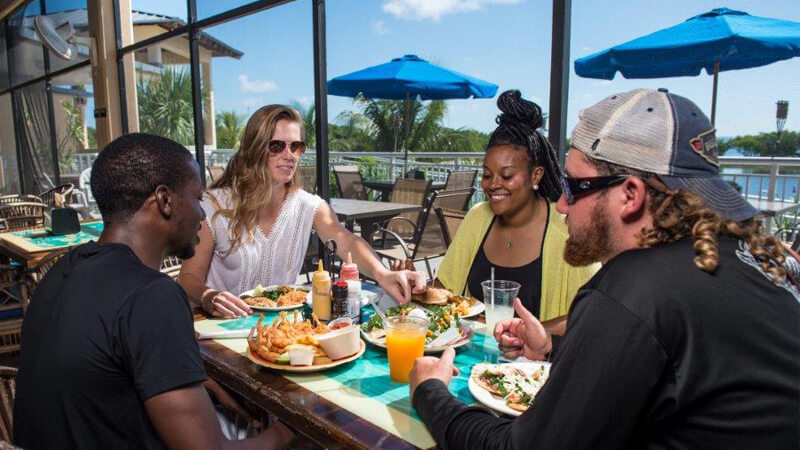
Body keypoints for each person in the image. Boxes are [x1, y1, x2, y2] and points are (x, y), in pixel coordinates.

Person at [409, 88, 800, 449]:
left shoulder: (635, 289)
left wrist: (430, 392)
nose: (562, 205)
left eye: (574, 186)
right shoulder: (760, 260)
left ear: (630, 195)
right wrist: (551, 348)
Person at [14, 133, 294, 449]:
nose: (203, 215)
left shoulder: (65, 268)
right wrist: (287, 432)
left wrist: (194, 378)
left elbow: (98, 366)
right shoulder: (151, 296)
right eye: (198, 197)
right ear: (164, 200)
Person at [178, 105, 425, 318]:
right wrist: (208, 296)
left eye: (295, 146)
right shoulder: (215, 206)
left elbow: (345, 240)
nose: (289, 156)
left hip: (280, 329)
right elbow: (188, 278)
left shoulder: (307, 205)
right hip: (221, 327)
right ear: (254, 150)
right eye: (277, 146)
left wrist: (382, 274)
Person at [434, 90, 597, 333]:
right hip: (472, 362)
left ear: (536, 175)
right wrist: (419, 291)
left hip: (536, 368)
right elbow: (443, 288)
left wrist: (525, 335)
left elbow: (590, 315)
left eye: (507, 175)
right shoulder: (479, 216)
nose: (492, 184)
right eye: (487, 174)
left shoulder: (568, 230)